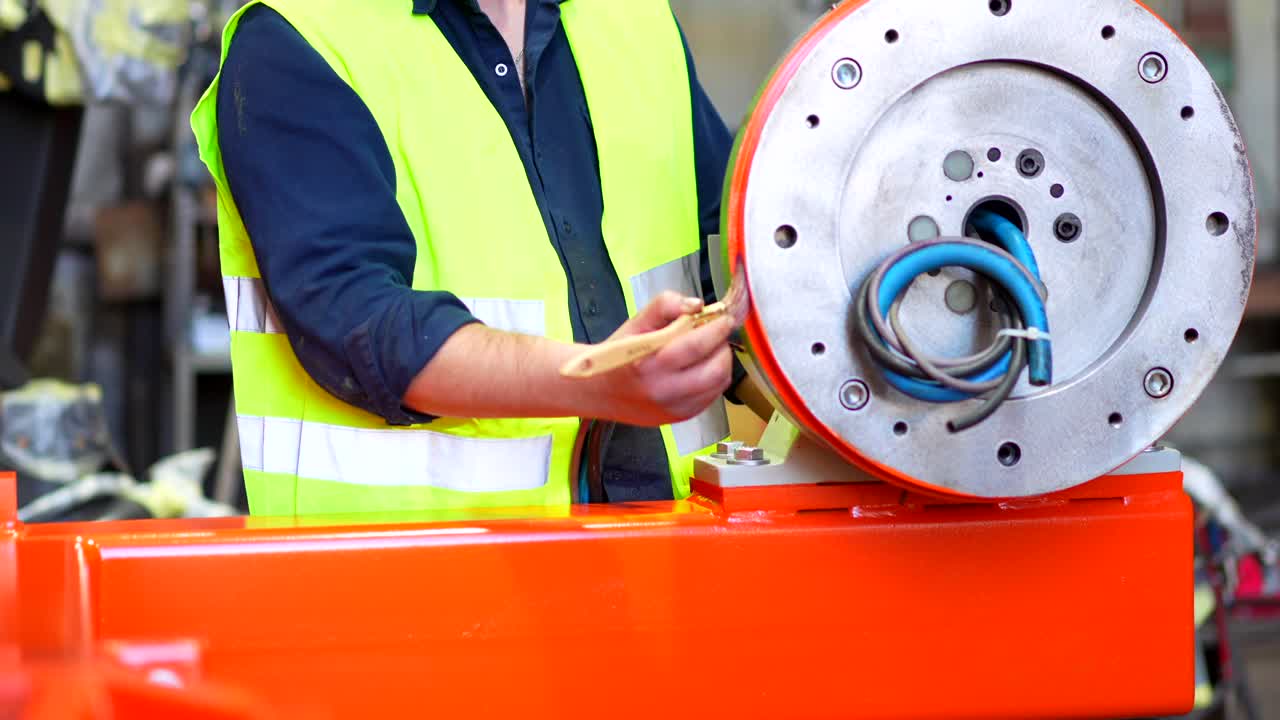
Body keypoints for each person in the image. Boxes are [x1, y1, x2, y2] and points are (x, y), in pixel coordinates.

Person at [190, 0, 753, 516]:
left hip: (665, 560)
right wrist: (594, 381)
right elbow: (359, 319)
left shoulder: (633, 21)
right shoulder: (298, 37)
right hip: (412, 589)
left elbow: (739, 268)